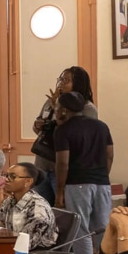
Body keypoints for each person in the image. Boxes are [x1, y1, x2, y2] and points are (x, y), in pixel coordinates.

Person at [54, 91, 113, 254]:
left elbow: (63, 163)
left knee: (81, 230)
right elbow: (109, 154)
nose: (56, 110)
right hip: (102, 182)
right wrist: (102, 175)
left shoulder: (63, 130)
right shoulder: (102, 126)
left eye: (57, 107)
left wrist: (59, 191)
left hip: (77, 183)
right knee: (102, 228)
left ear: (64, 110)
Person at [31, 67, 98, 204]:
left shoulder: (87, 108)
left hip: (65, 170)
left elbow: (77, 135)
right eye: (60, 79)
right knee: (40, 209)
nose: (61, 83)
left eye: (66, 80)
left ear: (78, 83)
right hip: (43, 164)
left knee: (63, 212)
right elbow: (40, 128)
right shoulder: (50, 101)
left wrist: (57, 107)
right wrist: (38, 125)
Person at [0, 163, 58, 250]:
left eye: (12, 176)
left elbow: (27, 243)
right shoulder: (11, 200)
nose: (6, 180)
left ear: (28, 182)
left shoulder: (37, 207)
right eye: (6, 175)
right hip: (15, 246)